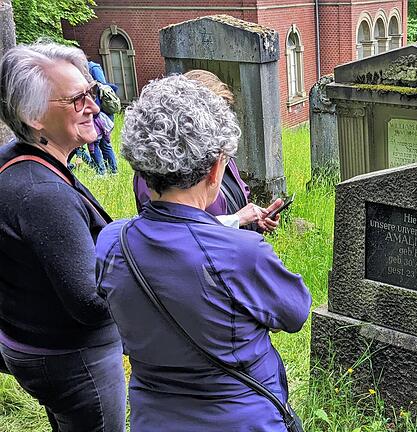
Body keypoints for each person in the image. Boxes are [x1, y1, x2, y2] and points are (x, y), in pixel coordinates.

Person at [95, 75, 312, 432]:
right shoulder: (243, 254)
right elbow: (296, 312)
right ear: (215, 169)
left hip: (154, 418)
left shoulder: (111, 242)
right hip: (240, 419)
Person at [0, 42, 125, 431]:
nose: (93, 107)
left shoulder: (14, 159)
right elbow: (90, 301)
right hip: (72, 358)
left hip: (30, 342)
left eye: (91, 93)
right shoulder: (43, 195)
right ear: (32, 115)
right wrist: (160, 277)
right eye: (76, 100)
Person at [132, 69, 278, 232]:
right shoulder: (158, 166)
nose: (220, 121)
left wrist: (254, 221)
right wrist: (236, 219)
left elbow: (236, 198)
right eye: (212, 114)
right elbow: (165, 230)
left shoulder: (220, 151)